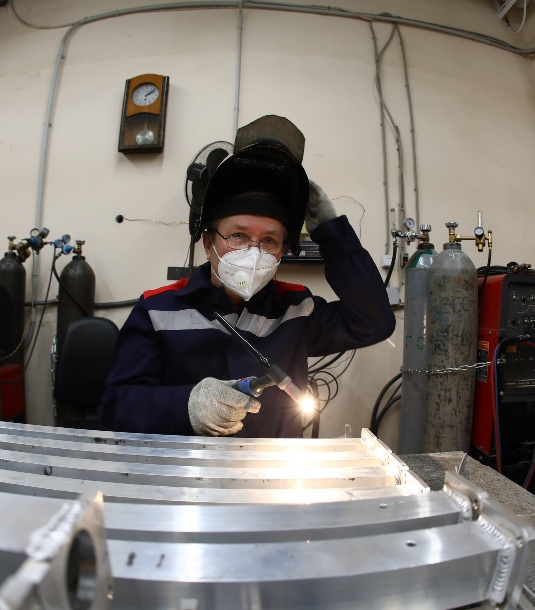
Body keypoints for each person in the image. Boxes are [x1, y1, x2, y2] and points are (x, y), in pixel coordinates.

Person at [101, 116, 395, 437]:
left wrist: (331, 232)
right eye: (238, 236)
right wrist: (186, 405)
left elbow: (374, 321)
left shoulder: (298, 309)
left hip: (272, 467)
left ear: (282, 251)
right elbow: (117, 405)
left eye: (269, 240)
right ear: (208, 244)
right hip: (185, 466)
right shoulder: (156, 310)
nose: (253, 252)